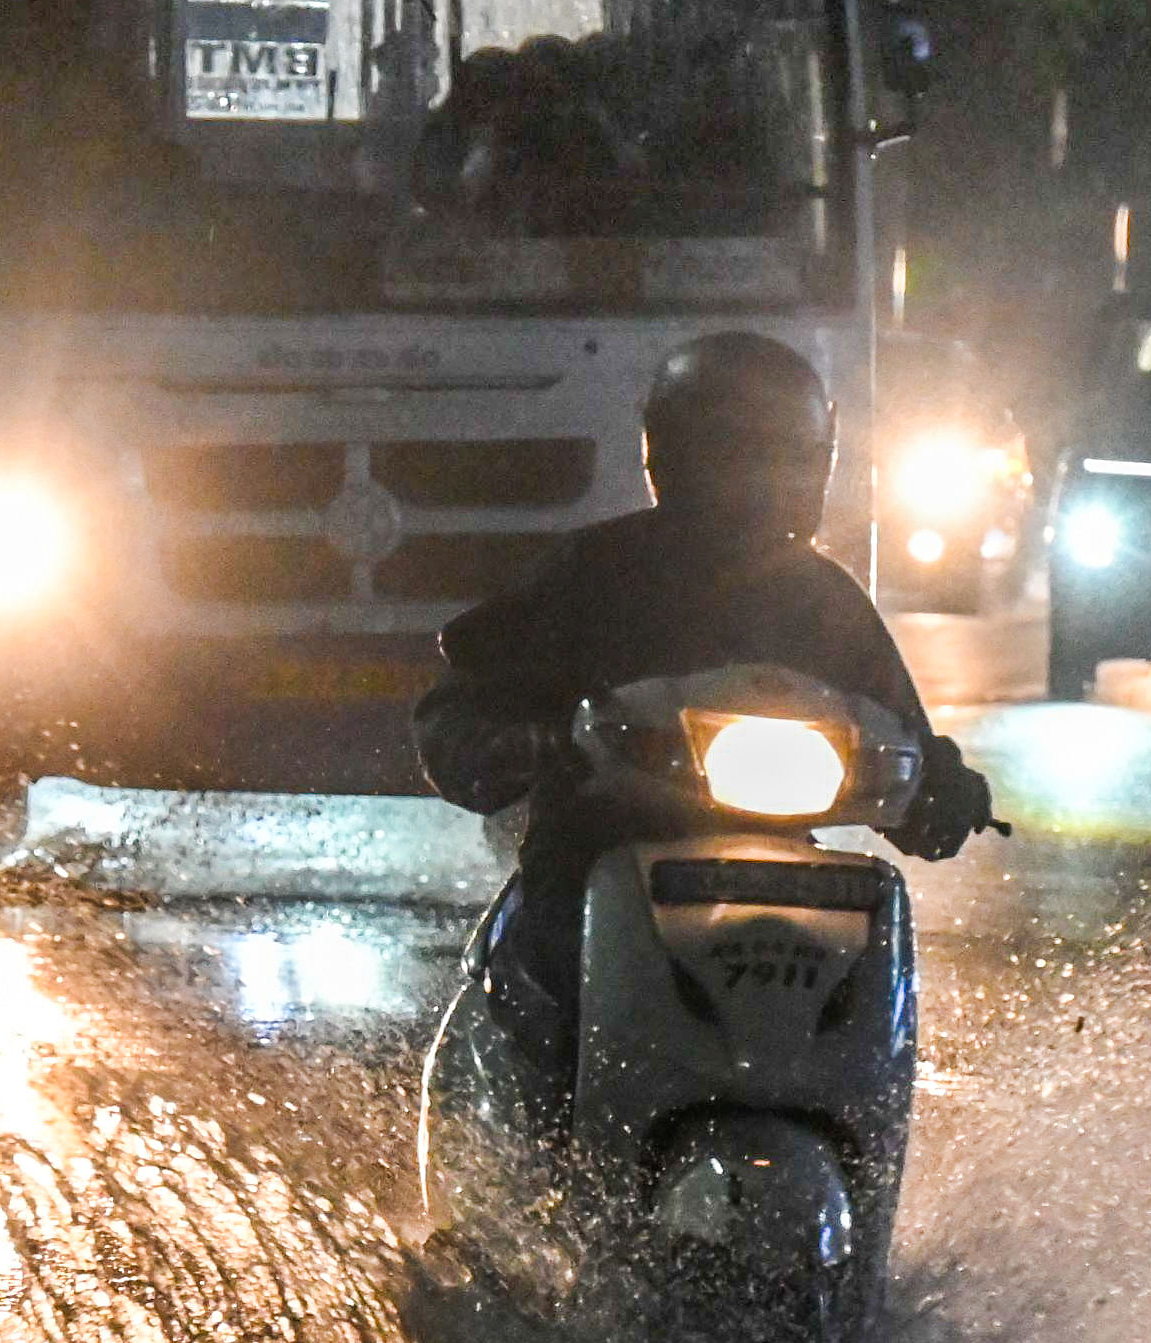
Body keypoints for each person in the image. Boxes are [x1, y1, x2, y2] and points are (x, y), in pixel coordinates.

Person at [413, 331, 1001, 1117]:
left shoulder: (826, 605)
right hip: (598, 860)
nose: (760, 479)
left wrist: (940, 786)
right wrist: (514, 741)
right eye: (737, 452)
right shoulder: (591, 574)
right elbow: (465, 698)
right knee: (548, 972)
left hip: (775, 880)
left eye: (783, 454)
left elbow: (902, 730)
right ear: (674, 453)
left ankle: (854, 1131)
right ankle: (542, 1147)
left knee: (863, 955)